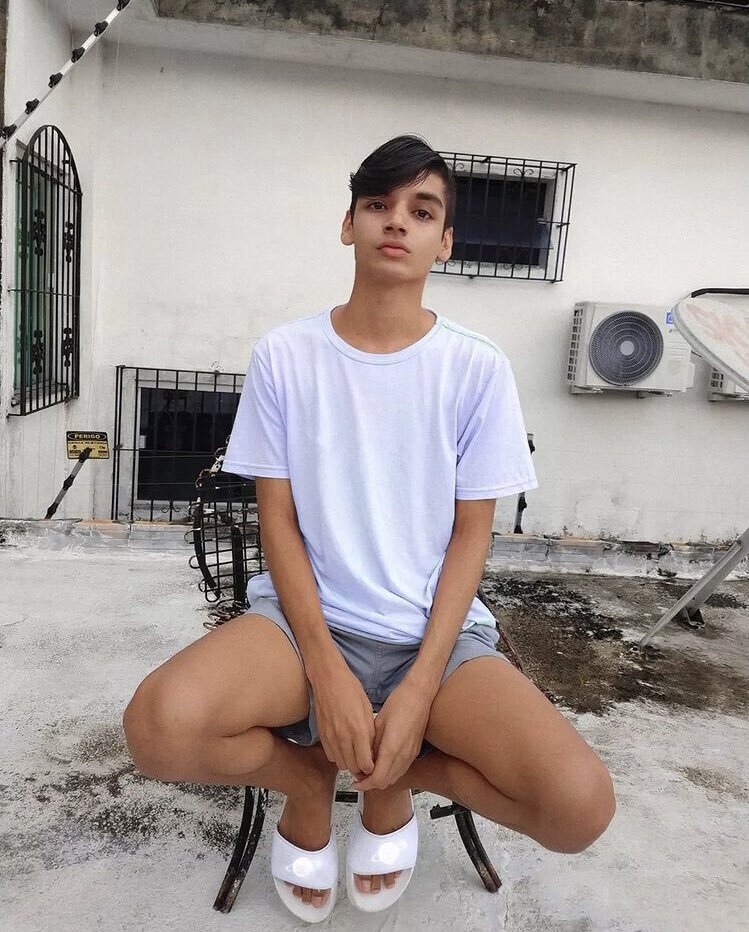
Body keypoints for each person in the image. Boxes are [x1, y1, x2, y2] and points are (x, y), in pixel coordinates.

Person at [123, 135, 616, 922]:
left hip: (436, 641)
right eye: (378, 204)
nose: (396, 222)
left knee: (577, 807)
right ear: (347, 224)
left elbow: (471, 536)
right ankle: (306, 779)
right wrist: (326, 673)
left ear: (444, 241)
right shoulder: (287, 355)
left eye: (421, 211)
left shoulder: (475, 367)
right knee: (157, 728)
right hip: (302, 630)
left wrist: (417, 691)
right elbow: (277, 520)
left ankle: (399, 775)